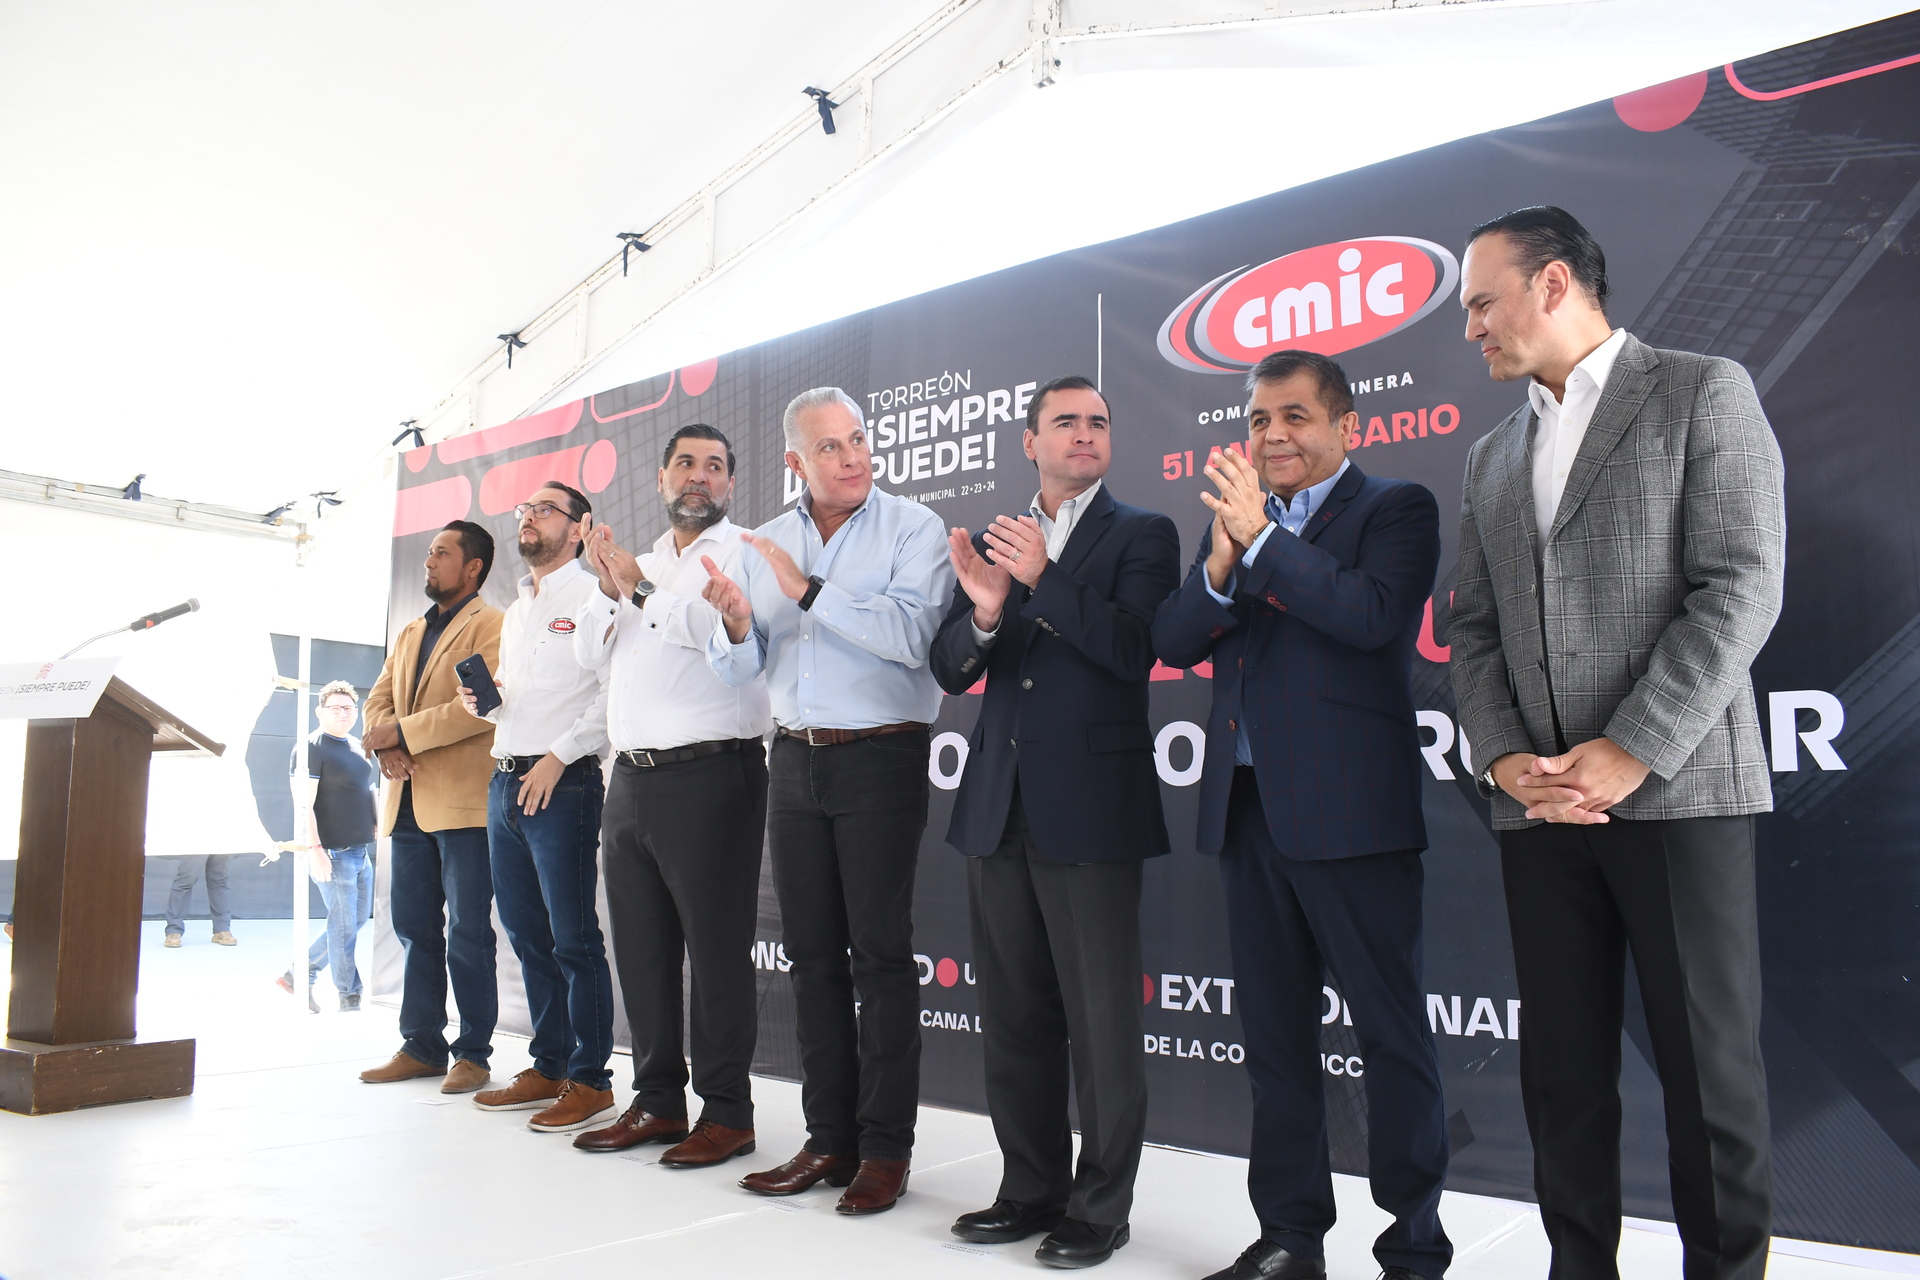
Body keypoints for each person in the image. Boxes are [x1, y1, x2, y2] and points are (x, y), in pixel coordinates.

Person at [1449, 206, 1784, 1280]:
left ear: (1552, 284)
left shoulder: (1701, 390)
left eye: (1483, 302)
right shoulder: (1489, 456)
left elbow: (1741, 586)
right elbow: (1472, 630)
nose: (1471, 328)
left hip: (1679, 794)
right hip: (1539, 810)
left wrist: (1633, 746)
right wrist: (1504, 758)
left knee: (1708, 1078)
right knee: (1563, 1079)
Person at [1153, 350, 1449, 1280]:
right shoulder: (1236, 526)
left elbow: (1370, 617)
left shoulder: (1395, 509)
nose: (1272, 435)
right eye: (1258, 419)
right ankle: (1291, 1238)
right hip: (1249, 817)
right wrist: (1221, 561)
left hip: (1355, 822)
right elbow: (1174, 640)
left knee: (1391, 1039)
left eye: (1294, 416)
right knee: (1276, 1047)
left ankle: (1413, 1249)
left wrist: (1262, 540)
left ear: (1346, 427)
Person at [930, 375, 1180, 1268]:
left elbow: (1135, 649)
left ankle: (1100, 1208)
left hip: (1094, 811)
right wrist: (986, 610)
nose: (1084, 434)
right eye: (1065, 422)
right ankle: (1029, 1188)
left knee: (1102, 1024)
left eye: (1098, 423)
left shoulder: (1144, 533)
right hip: (998, 806)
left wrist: (1045, 577)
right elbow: (951, 668)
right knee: (1014, 1018)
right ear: (1029, 442)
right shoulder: (994, 538)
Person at [703, 386, 953, 1215]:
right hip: (793, 759)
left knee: (879, 958)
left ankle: (885, 1151)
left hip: (881, 756)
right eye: (831, 447)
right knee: (811, 959)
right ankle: (829, 1140)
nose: (853, 458)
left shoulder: (913, 527)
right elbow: (742, 669)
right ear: (795, 462)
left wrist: (808, 590)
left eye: (859, 440)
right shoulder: (762, 542)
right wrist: (736, 624)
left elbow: (911, 638)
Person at [568, 424, 773, 1167]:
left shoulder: (749, 553)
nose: (699, 476)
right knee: (642, 951)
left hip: (712, 775)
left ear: (730, 484)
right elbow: (587, 654)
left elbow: (729, 641)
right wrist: (606, 589)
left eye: (714, 466)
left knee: (716, 954)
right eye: (685, 463)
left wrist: (639, 589)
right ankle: (656, 1102)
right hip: (629, 778)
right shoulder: (638, 563)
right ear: (661, 479)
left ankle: (728, 1113)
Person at [455, 482, 616, 1134]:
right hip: (504, 781)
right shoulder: (520, 608)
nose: (528, 516)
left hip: (562, 783)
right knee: (526, 937)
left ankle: (592, 1080)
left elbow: (612, 694)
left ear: (579, 528)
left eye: (545, 509)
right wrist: (485, 703)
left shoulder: (595, 596)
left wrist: (559, 757)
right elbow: (524, 696)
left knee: (573, 939)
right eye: (525, 509)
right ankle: (548, 1066)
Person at [358, 519, 504, 1094]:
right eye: (428, 552)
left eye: (442, 553)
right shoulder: (411, 630)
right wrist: (386, 742)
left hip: (464, 806)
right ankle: (421, 1046)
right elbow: (378, 700)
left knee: (468, 931)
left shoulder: (493, 624)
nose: (429, 561)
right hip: (407, 801)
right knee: (414, 928)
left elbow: (479, 707)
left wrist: (401, 734)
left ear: (473, 567)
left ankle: (473, 1053)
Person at [278, 680, 378, 1013]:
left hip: (360, 852)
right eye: (335, 708)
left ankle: (299, 974)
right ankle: (350, 996)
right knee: (344, 927)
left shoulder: (356, 746)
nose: (342, 713)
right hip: (333, 853)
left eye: (348, 708)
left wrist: (375, 821)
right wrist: (315, 849)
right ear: (319, 711)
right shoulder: (310, 748)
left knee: (352, 922)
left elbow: (365, 791)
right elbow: (303, 806)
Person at [162, 855, 238, 947]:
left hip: (223, 845)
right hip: (197, 845)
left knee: (219, 881)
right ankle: (173, 930)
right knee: (186, 880)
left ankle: (222, 929)